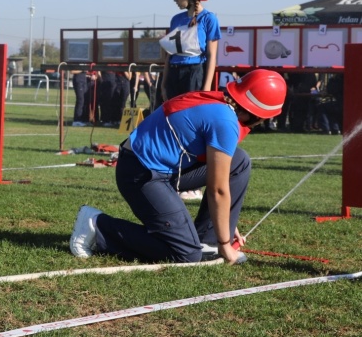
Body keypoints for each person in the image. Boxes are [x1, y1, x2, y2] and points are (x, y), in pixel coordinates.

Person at [69, 69, 287, 265]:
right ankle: (98, 226)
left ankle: (207, 241)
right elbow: (218, 190)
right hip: (140, 174)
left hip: (158, 169)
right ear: (259, 115)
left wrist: (226, 225)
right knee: (186, 254)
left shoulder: (219, 103)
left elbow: (220, 176)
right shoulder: (225, 121)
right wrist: (226, 243)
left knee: (239, 161)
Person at [159, 0, 221, 201]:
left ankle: (193, 183)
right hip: (174, 73)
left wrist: (205, 88)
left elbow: (212, 56)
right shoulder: (176, 20)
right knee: (171, 124)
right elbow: (168, 55)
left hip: (195, 73)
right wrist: (164, 84)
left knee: (192, 128)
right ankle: (172, 177)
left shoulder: (209, 19)